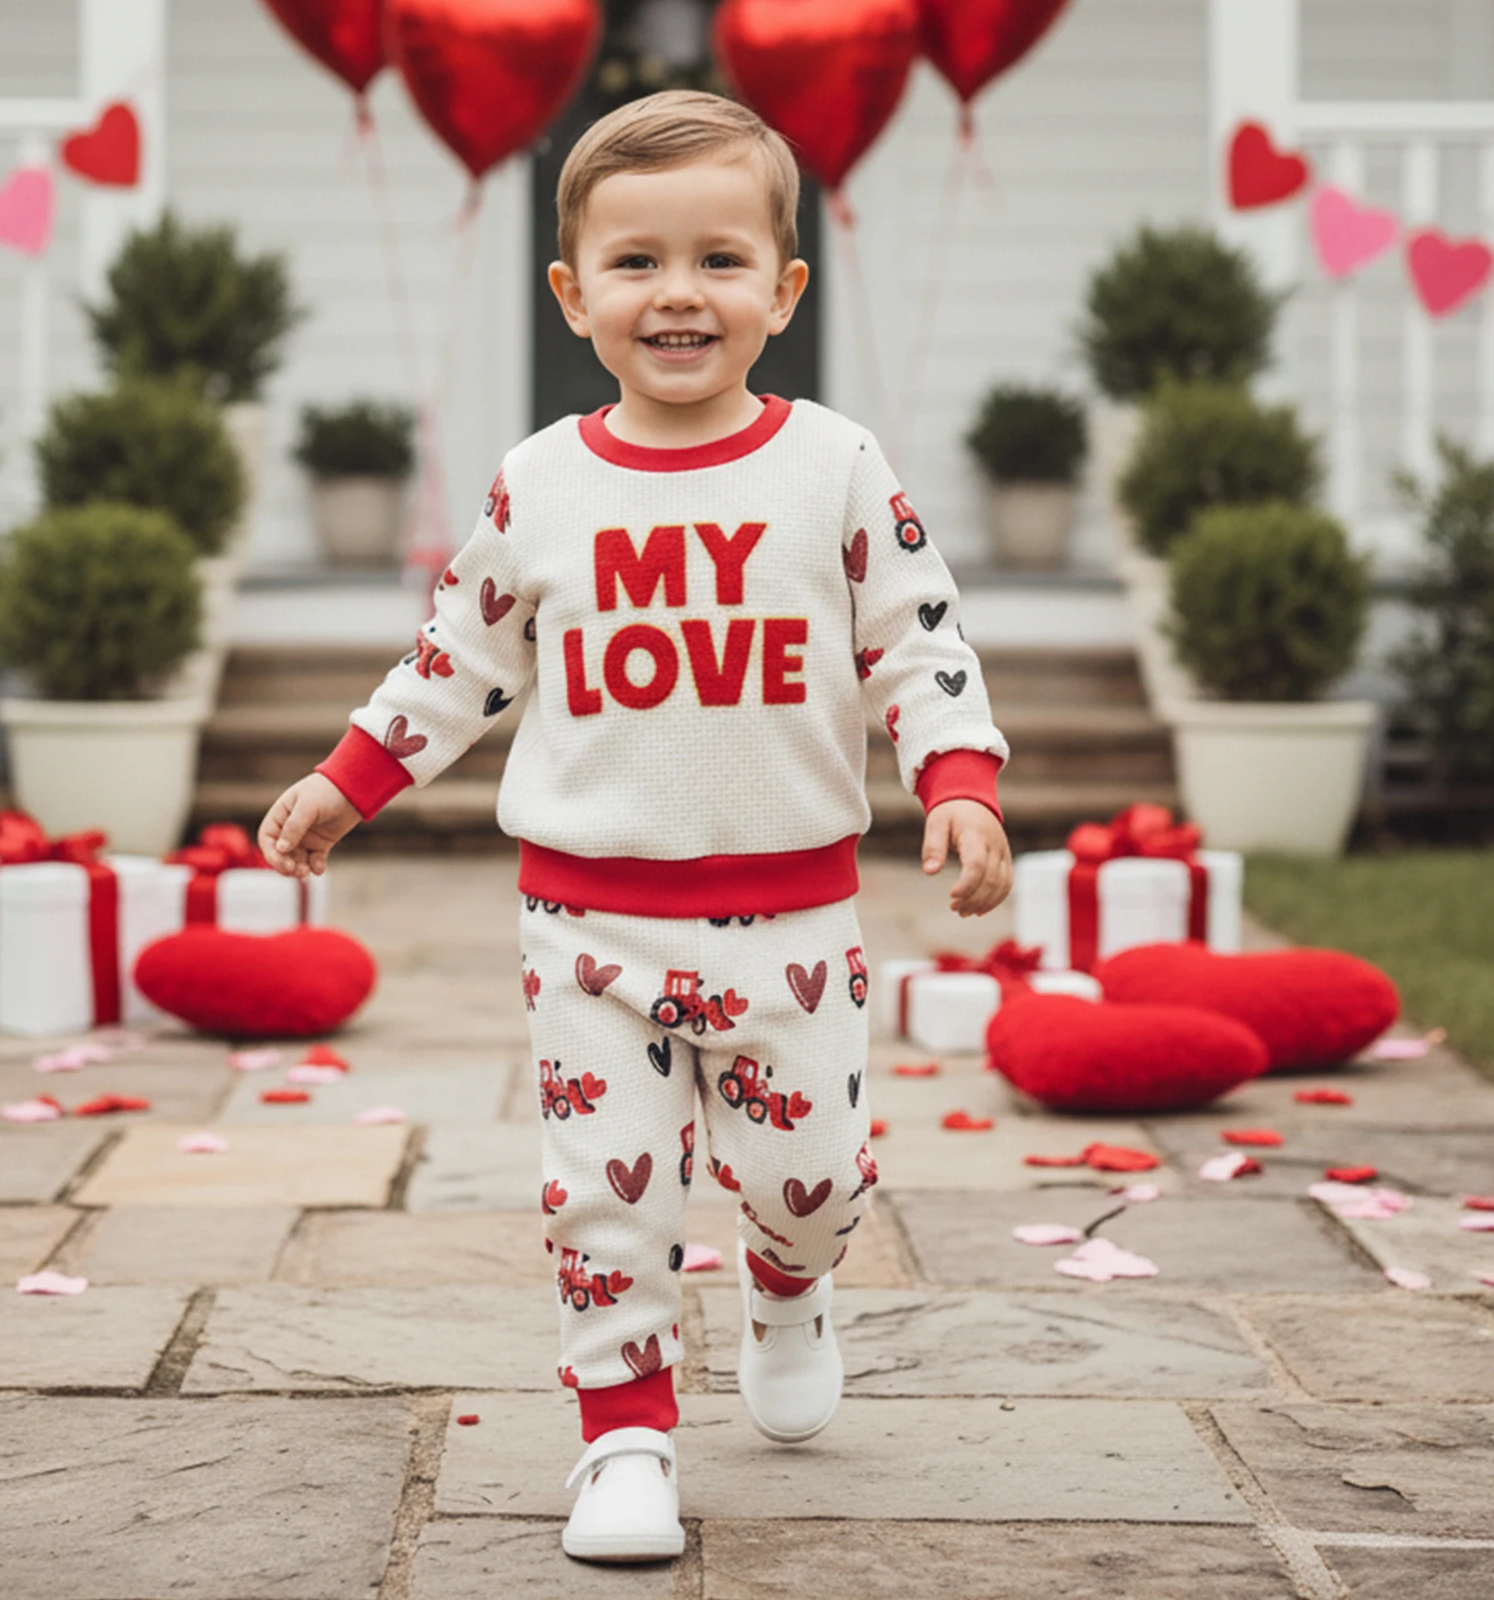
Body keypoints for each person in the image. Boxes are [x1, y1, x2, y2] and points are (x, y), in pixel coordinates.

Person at [258, 88, 1012, 1565]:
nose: (679, 293)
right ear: (574, 295)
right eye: (638, 263)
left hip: (794, 925)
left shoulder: (835, 467)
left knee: (814, 1182)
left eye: (721, 260)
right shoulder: (543, 483)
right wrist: (349, 778)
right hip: (587, 924)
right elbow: (457, 656)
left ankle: (789, 1289)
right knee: (607, 1195)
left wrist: (960, 783)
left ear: (783, 292)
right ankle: (624, 1444)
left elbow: (918, 639)